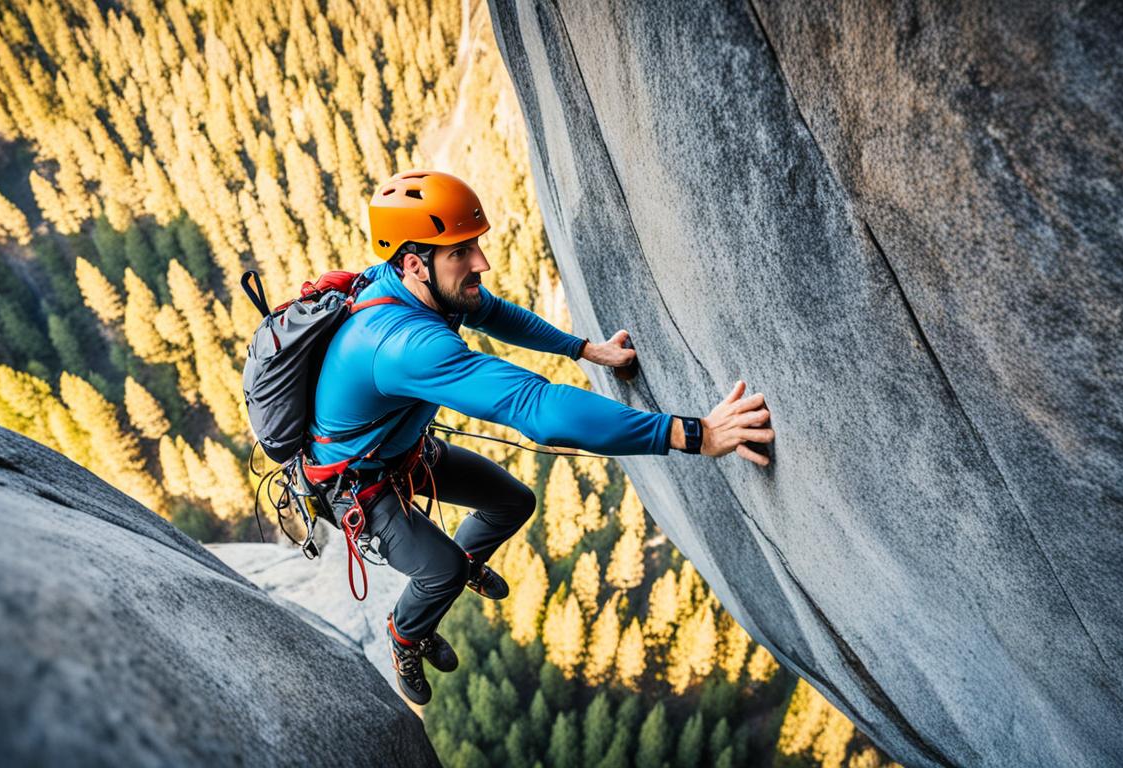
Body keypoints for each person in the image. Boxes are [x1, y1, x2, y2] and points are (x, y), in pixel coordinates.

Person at [307, 170, 773, 704]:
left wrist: (584, 349)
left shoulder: (409, 284)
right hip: (358, 484)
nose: (481, 262)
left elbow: (493, 312)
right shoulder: (405, 344)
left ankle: (462, 568)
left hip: (399, 449)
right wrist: (697, 434)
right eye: (463, 251)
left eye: (475, 245)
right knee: (442, 571)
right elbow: (538, 409)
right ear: (415, 263)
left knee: (513, 502)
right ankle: (405, 633)